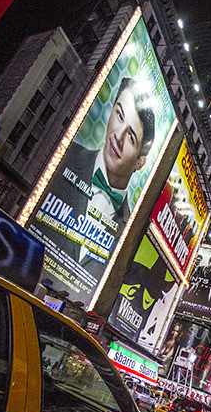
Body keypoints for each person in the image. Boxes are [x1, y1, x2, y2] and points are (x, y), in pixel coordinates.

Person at [31, 77, 155, 278]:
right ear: (112, 108)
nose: (118, 136)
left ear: (140, 162)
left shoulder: (128, 228)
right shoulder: (66, 157)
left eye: (131, 137)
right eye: (120, 116)